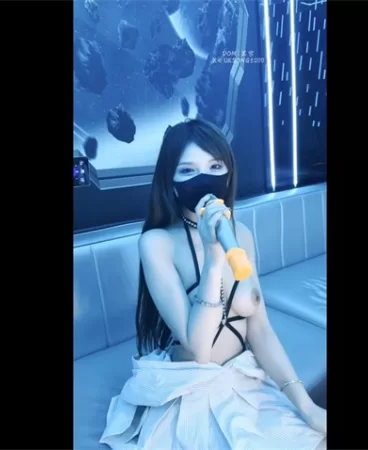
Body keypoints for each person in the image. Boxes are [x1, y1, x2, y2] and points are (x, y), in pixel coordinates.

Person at [100, 119, 327, 450]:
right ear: (170, 182)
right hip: (192, 387)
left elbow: (261, 330)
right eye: (188, 170)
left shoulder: (241, 234)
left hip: (243, 377)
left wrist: (307, 407)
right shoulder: (157, 243)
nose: (204, 179)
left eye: (215, 166)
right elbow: (200, 349)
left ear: (228, 173)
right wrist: (212, 257)